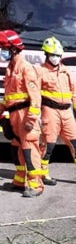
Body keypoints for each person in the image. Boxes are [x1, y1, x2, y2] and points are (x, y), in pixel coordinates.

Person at [39, 36, 76, 186]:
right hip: (49, 111)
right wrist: (36, 114)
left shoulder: (65, 71)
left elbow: (74, 92)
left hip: (67, 112)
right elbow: (34, 95)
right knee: (48, 145)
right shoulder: (39, 72)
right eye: (53, 55)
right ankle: (42, 174)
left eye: (58, 55)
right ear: (46, 55)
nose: (55, 58)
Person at [0, 29, 45, 197]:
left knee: (29, 149)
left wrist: (31, 118)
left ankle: (36, 185)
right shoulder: (10, 69)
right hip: (14, 116)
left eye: (3, 49)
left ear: (13, 49)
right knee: (16, 149)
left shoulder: (26, 69)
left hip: (25, 115)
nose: (1, 52)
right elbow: (9, 97)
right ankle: (19, 181)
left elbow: (35, 98)